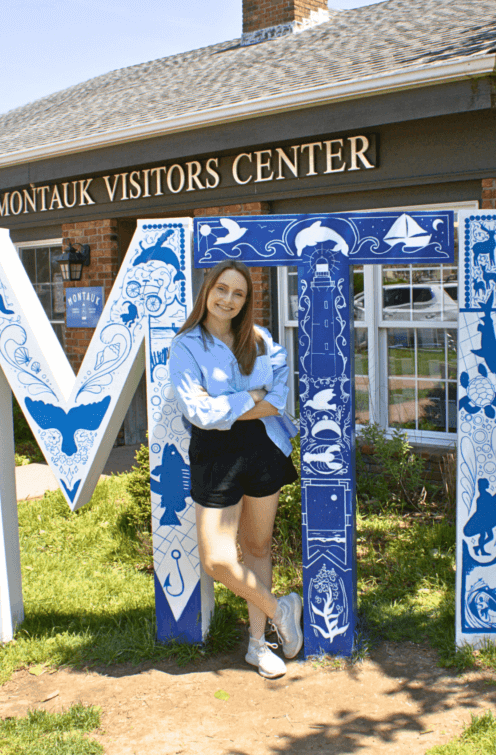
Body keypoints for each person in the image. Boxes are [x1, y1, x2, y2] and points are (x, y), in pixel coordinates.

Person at [168, 259, 303, 678]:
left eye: (238, 293)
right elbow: (197, 411)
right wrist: (251, 398)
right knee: (218, 559)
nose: (228, 299)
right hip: (215, 456)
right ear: (207, 291)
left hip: (265, 448)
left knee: (258, 548)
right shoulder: (186, 346)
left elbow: (278, 398)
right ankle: (281, 609)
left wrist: (226, 404)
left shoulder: (259, 339)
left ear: (247, 300)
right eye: (221, 289)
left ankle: (257, 645)